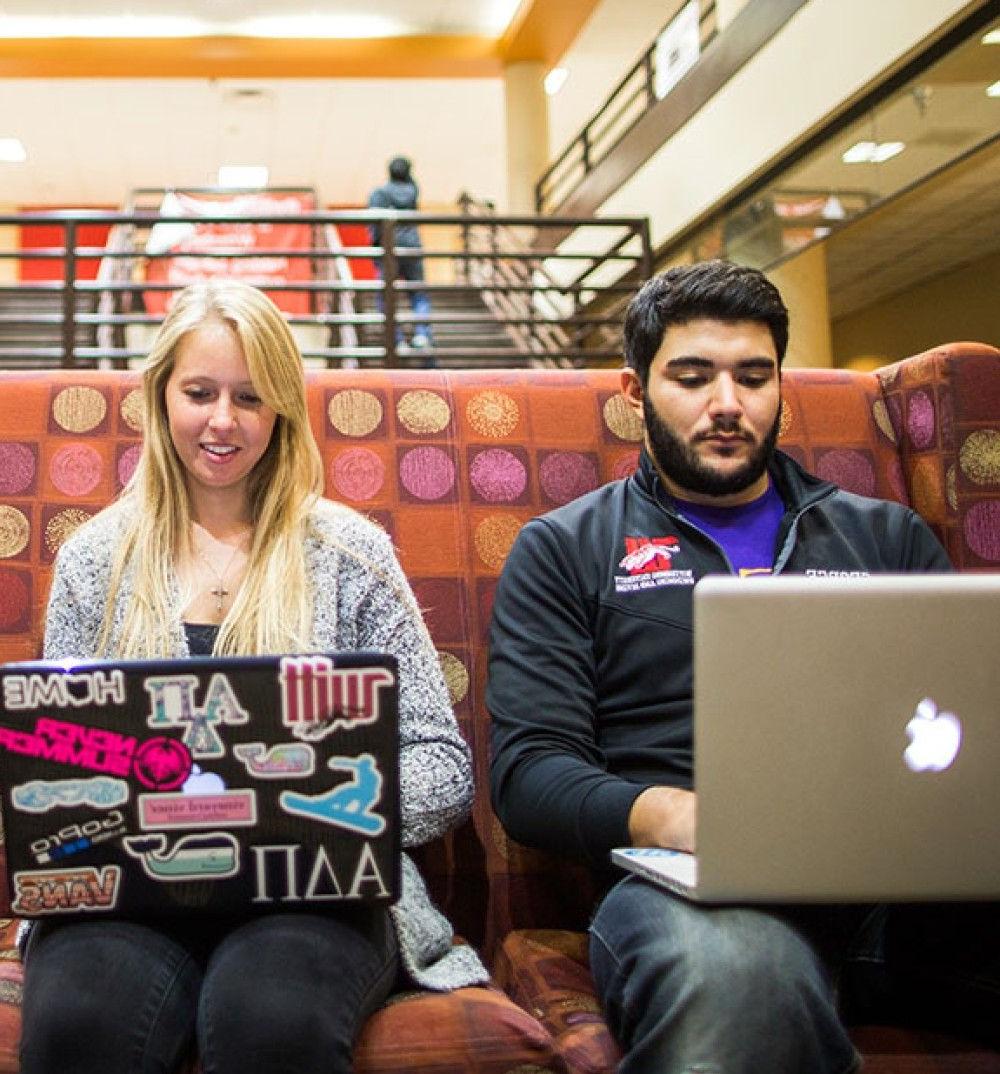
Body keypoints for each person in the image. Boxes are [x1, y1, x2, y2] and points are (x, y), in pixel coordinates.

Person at [488, 260, 998, 1074]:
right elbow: (530, 775)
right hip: (693, 894)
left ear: (779, 388)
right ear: (634, 390)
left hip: (899, 889)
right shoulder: (565, 549)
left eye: (752, 377)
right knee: (740, 980)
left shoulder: (886, 538)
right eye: (692, 377)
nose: (726, 404)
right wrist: (680, 817)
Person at [20, 280, 487, 1074]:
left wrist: (302, 810)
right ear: (160, 395)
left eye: (250, 396)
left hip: (315, 892)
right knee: (77, 1026)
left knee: (269, 1019)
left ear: (282, 411)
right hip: (132, 895)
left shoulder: (348, 554)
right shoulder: (95, 559)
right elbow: (62, 755)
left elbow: (442, 765)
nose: (223, 421)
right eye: (199, 393)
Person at [368, 155, 434, 361]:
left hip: (390, 249)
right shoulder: (413, 192)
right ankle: (422, 336)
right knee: (418, 294)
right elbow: (413, 183)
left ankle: (396, 339)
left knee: (386, 297)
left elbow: (374, 225)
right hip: (413, 247)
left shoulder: (380, 193)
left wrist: (375, 251)